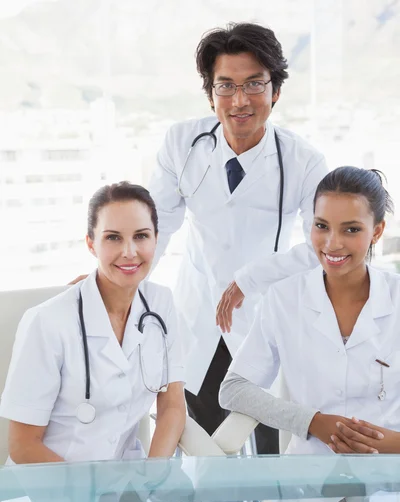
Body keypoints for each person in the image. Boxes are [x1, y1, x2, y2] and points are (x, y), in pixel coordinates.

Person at [148, 22, 328, 454]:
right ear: (210, 94)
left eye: (254, 85)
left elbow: (323, 246)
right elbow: (156, 226)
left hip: (261, 320)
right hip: (198, 316)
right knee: (201, 446)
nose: (240, 100)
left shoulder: (303, 160)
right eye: (225, 86)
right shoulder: (182, 143)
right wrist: (112, 281)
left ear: (275, 92)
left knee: (268, 447)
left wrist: (251, 277)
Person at [0, 182, 186, 464]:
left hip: (126, 485)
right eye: (113, 238)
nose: (129, 251)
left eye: (141, 236)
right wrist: (99, 497)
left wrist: (152, 477)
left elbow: (172, 405)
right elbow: (23, 446)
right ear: (91, 243)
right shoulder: (48, 322)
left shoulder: (161, 304)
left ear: (156, 239)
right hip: (52, 489)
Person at [219, 166, 400, 455]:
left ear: (377, 231)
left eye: (351, 229)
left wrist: (391, 443)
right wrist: (312, 422)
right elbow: (234, 389)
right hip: (309, 479)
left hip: (390, 479)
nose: (332, 243)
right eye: (321, 226)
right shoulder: (284, 299)